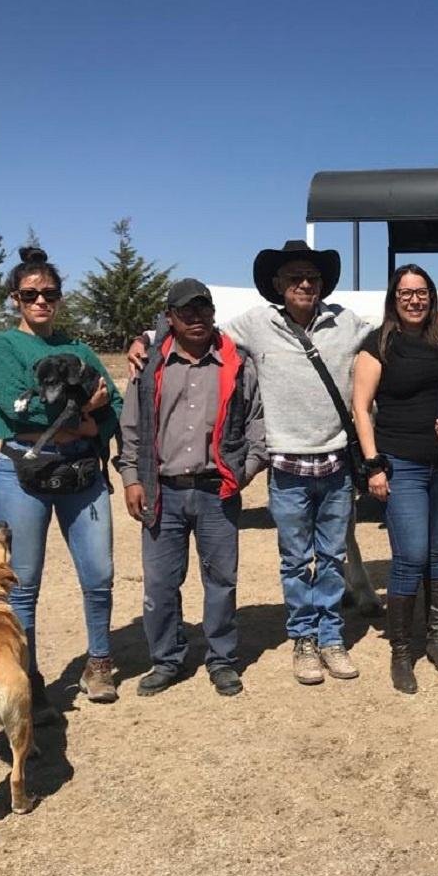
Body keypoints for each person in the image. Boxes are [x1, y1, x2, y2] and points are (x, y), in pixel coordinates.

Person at [129, 241, 370, 686]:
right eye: (295, 277)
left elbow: (391, 334)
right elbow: (199, 330)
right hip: (288, 469)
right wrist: (146, 338)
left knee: (332, 558)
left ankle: (331, 637)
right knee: (295, 561)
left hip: (336, 465)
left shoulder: (347, 322)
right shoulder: (256, 324)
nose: (304, 284)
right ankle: (304, 640)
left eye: (312, 277)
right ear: (278, 284)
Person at [0, 246, 124, 718]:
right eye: (30, 294)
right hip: (24, 472)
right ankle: (28, 679)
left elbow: (114, 403)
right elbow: (16, 405)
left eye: (50, 294)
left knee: (99, 575)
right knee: (23, 584)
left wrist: (87, 422)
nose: (41, 301)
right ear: (15, 299)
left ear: (60, 298)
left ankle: (99, 663)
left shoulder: (79, 348)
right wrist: (84, 411)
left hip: (81, 471)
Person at [118, 279, 266, 698]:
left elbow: (257, 424)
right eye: (186, 311)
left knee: (221, 581)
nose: (196, 318)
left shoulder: (237, 363)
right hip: (161, 491)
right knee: (160, 584)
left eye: (204, 309)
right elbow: (131, 429)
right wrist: (132, 478)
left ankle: (222, 659)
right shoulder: (149, 366)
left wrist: (244, 471)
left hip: (217, 491)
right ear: (170, 318)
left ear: (213, 313)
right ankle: (167, 659)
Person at [352, 265, 438, 694]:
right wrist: (373, 464)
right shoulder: (378, 343)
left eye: (421, 292)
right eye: (405, 293)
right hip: (401, 463)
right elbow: (361, 408)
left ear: (431, 295)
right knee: (411, 555)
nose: (414, 300)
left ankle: (435, 639)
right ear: (393, 298)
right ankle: (401, 651)